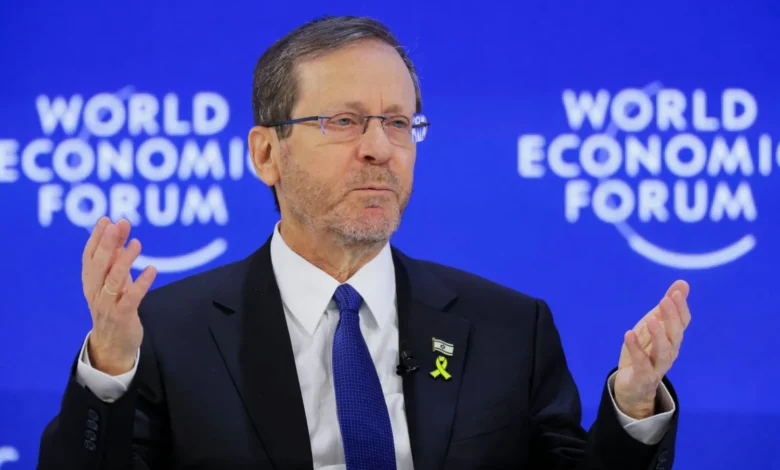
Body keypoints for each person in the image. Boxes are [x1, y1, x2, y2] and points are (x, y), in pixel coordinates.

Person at [38, 15, 691, 470]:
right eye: (344, 121)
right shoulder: (167, 334)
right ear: (266, 154)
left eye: (399, 123)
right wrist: (111, 369)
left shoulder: (509, 328)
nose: (380, 148)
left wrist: (634, 404)